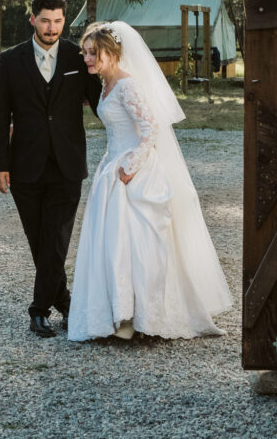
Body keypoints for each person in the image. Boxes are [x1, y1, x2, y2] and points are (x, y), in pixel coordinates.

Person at [67, 20, 231, 341]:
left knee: (139, 245)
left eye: (92, 53)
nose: (86, 58)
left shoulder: (128, 85)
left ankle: (146, 318)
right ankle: (121, 315)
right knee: (115, 245)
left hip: (134, 172)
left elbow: (150, 130)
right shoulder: (106, 84)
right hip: (113, 169)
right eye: (85, 53)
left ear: (111, 53)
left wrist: (130, 166)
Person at [0, 0, 101, 337]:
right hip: (24, 165)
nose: (51, 28)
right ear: (32, 20)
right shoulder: (10, 62)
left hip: (67, 164)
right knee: (39, 240)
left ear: (64, 21)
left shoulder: (76, 57)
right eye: (45, 20)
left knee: (56, 240)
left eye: (57, 21)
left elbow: (101, 102)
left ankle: (38, 311)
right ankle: (66, 303)